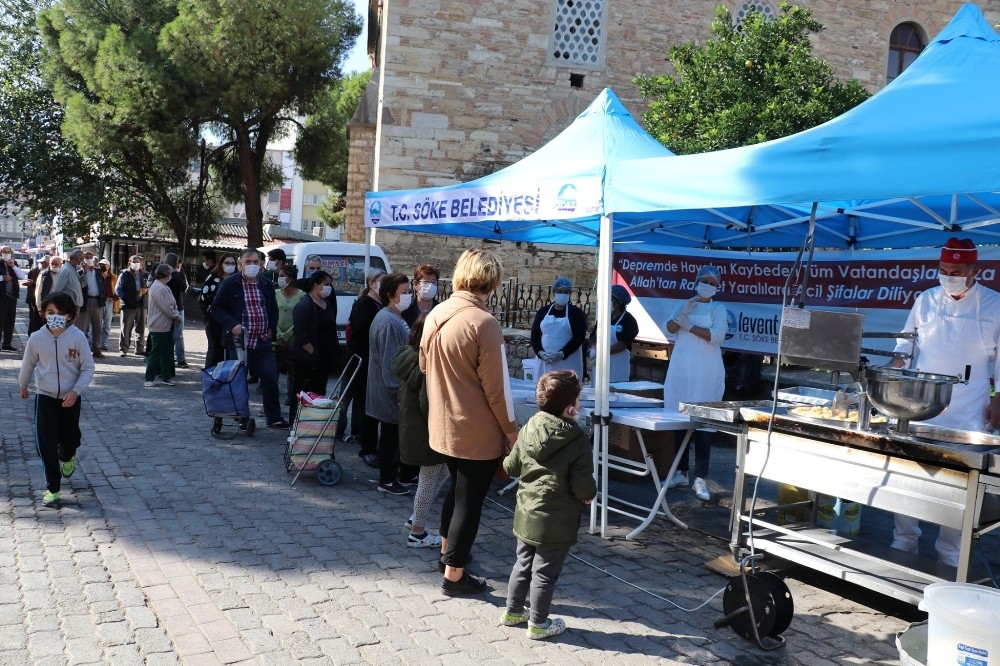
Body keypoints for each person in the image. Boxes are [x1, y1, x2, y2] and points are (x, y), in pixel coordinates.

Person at [889, 238, 1000, 567]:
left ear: (975, 270)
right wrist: (893, 368)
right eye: (944, 270)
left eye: (956, 271)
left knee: (961, 481)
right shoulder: (925, 300)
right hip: (922, 402)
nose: (949, 276)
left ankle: (950, 553)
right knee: (910, 472)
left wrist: (999, 398)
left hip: (969, 405)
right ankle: (903, 541)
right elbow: (905, 346)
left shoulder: (995, 304)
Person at [420, 249, 518, 596]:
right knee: (469, 501)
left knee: (458, 493)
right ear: (493, 282)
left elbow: (423, 365)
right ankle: (454, 575)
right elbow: (497, 389)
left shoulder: (437, 313)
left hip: (443, 423)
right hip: (476, 429)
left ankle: (448, 555)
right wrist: (511, 431)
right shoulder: (484, 323)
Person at [501, 370, 596, 639]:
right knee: (544, 573)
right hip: (557, 521)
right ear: (570, 408)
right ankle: (538, 624)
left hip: (526, 514)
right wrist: (588, 494)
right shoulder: (577, 439)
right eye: (578, 400)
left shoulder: (529, 426)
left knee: (522, 564)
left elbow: (511, 466)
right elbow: (583, 483)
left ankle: (513, 612)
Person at [18, 291, 96, 506]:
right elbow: (28, 363)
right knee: (45, 443)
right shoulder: (37, 338)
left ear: (70, 316)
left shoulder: (77, 337)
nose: (55, 317)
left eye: (61, 313)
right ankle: (53, 487)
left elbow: (88, 368)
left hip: (70, 398)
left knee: (70, 439)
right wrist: (23, 385)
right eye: (51, 312)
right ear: (43, 313)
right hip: (45, 397)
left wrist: (76, 391)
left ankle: (68, 456)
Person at [663, 265, 727, 502]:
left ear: (717, 287)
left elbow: (716, 336)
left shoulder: (718, 308)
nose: (708, 285)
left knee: (703, 424)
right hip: (682, 370)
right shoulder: (685, 304)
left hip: (706, 372)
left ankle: (700, 477)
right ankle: (680, 472)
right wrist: (680, 316)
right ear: (696, 281)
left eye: (712, 283)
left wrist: (688, 325)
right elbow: (670, 329)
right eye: (705, 281)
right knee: (678, 419)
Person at [209, 249, 289, 429]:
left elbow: (273, 309)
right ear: (241, 264)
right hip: (239, 342)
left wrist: (271, 328)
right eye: (248, 261)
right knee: (238, 381)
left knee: (270, 378)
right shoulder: (230, 283)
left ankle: (274, 417)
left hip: (262, 340)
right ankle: (242, 417)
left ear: (261, 264)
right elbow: (216, 308)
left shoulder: (266, 284)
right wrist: (232, 324)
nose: (252, 265)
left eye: (255, 262)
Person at [393, 314, 449, 548]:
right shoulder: (427, 363)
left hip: (413, 427)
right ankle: (417, 532)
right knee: (428, 478)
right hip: (426, 430)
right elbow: (428, 403)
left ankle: (416, 518)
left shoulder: (409, 353)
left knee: (443, 470)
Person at [366, 273, 417, 495]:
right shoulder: (387, 321)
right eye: (404, 292)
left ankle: (403, 473)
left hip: (394, 388)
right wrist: (397, 390)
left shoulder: (396, 317)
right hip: (390, 390)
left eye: (409, 291)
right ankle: (386, 479)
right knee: (390, 435)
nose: (408, 296)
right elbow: (390, 361)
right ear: (390, 295)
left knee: (397, 435)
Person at [349, 267, 386, 467]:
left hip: (380, 362)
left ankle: (378, 446)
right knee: (366, 407)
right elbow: (366, 331)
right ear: (372, 284)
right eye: (382, 282)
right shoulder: (363, 304)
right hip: (365, 362)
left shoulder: (384, 303)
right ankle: (367, 448)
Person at [290, 270, 336, 423]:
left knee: (319, 392)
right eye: (326, 284)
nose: (329, 288)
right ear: (316, 285)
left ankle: (314, 424)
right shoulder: (305, 305)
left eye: (330, 285)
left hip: (324, 358)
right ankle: (296, 423)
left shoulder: (328, 304)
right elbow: (299, 331)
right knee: (302, 392)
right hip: (306, 359)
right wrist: (311, 350)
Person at [530, 277, 587, 380]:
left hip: (568, 362)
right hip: (545, 361)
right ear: (554, 292)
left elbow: (579, 337)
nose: (562, 294)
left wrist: (562, 353)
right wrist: (540, 352)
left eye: (566, 292)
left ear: (570, 294)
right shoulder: (543, 311)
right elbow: (535, 334)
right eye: (559, 291)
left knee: (566, 387)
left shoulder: (576, 313)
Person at [587, 284, 639, 383]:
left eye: (610, 299)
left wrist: (601, 352)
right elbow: (594, 336)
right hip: (599, 363)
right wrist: (593, 350)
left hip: (618, 365)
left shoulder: (629, 320)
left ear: (618, 302)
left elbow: (622, 344)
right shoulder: (604, 317)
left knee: (615, 389)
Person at [144, 263, 180, 388]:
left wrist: (175, 315)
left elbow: (172, 305)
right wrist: (177, 316)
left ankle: (166, 376)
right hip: (159, 325)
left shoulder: (164, 287)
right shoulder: (158, 288)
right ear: (166, 274)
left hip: (167, 325)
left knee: (168, 352)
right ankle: (149, 378)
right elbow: (166, 307)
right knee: (156, 352)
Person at [199, 253, 235, 368]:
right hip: (214, 320)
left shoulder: (237, 279)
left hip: (232, 321)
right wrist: (210, 316)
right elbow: (203, 299)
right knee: (215, 348)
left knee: (229, 350)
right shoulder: (213, 278)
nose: (230, 266)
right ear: (221, 264)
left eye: (233, 263)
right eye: (227, 263)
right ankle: (209, 374)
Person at [275, 264, 304, 402]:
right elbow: (272, 314)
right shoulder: (275, 294)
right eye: (279, 276)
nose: (279, 279)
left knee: (293, 371)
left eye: (282, 276)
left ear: (291, 278)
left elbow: (301, 319)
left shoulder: (302, 295)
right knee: (272, 371)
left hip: (293, 339)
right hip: (276, 339)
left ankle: (291, 398)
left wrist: (287, 334)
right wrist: (278, 333)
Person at [160, 253, 189, 368]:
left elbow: (183, 287)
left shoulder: (178, 274)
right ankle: (171, 358)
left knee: (177, 335)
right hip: (167, 308)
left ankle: (180, 359)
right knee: (170, 335)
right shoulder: (162, 273)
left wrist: (178, 272)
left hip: (177, 307)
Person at [115, 255, 148, 357]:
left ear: (141, 263)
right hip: (128, 305)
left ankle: (139, 349)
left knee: (141, 328)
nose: (136, 263)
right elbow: (118, 289)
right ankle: (123, 349)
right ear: (129, 263)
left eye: (137, 261)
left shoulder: (145, 274)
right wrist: (125, 298)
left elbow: (150, 286)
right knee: (126, 328)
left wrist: (146, 290)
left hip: (141, 304)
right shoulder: (124, 274)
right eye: (134, 261)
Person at [76, 250, 105, 358]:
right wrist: (85, 270)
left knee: (97, 328)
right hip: (85, 302)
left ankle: (97, 349)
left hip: (97, 301)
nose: (89, 259)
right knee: (81, 328)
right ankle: (79, 350)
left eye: (90, 257)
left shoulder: (98, 272)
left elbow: (103, 285)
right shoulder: (80, 272)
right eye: (86, 257)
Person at [0, 245, 28, 351]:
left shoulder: (13, 263)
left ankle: (7, 343)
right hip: (2, 296)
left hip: (12, 297)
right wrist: (2, 277)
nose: (6, 253)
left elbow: (21, 276)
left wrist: (13, 266)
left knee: (10, 321)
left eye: (8, 252)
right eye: (4, 252)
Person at [51, 249, 85, 318]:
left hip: (75, 306)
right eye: (82, 259)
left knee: (72, 324)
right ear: (77, 259)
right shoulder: (65, 270)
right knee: (69, 324)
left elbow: (82, 284)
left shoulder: (73, 269)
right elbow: (58, 290)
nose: (82, 262)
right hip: (69, 306)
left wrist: (85, 272)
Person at [25, 255, 49, 336]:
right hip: (34, 300)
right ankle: (32, 337)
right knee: (34, 321)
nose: (44, 264)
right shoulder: (34, 272)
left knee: (41, 322)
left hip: (43, 301)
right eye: (42, 263)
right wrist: (34, 302)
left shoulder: (48, 272)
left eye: (46, 263)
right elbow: (32, 289)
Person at [98, 258, 117, 351]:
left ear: (109, 266)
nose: (102, 267)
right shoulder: (97, 276)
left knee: (107, 324)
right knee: (97, 323)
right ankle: (95, 343)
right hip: (98, 301)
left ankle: (104, 343)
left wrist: (114, 298)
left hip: (109, 302)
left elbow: (118, 289)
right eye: (101, 265)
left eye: (104, 265)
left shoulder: (114, 277)